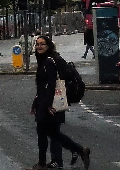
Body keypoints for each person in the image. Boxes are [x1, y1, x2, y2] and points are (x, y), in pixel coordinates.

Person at [28, 34, 90, 170]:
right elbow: (41, 86)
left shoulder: (49, 62)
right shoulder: (44, 60)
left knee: (44, 133)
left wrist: (49, 105)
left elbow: (51, 85)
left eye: (42, 44)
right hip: (44, 101)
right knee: (53, 133)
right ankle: (79, 150)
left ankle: (43, 163)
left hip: (48, 103)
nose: (39, 46)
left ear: (48, 45)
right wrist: (35, 103)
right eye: (37, 44)